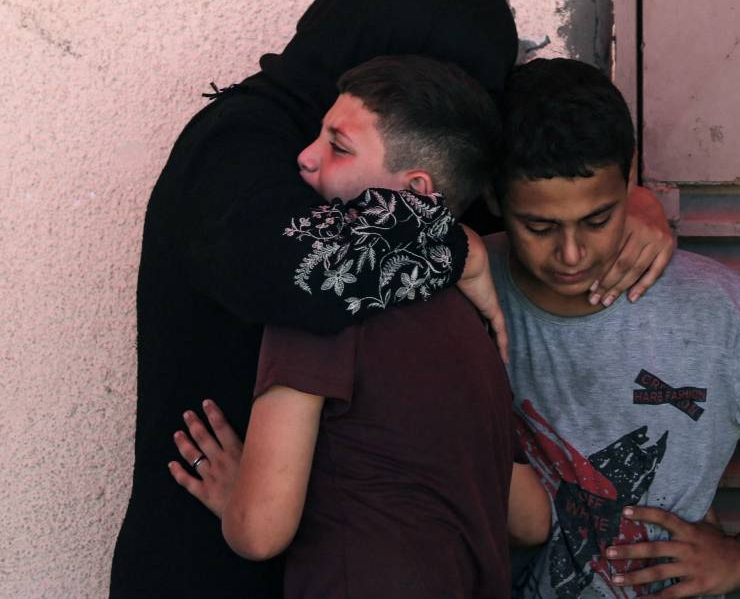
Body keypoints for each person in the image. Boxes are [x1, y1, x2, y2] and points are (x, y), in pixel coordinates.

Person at [114, 0, 672, 598]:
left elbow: (520, 163)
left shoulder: (381, 173)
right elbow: (307, 267)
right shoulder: (237, 143)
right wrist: (455, 248)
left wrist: (626, 191)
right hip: (208, 560)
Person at [482, 58, 740, 598]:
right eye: (539, 226)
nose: (571, 254)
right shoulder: (462, 293)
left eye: (598, 220)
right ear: (493, 198)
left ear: (630, 177)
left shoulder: (711, 310)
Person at [178, 54, 551, 597]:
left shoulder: (320, 303)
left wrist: (238, 495)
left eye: (339, 146)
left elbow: (260, 531)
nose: (305, 157)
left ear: (417, 193)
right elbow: (530, 520)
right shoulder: (473, 325)